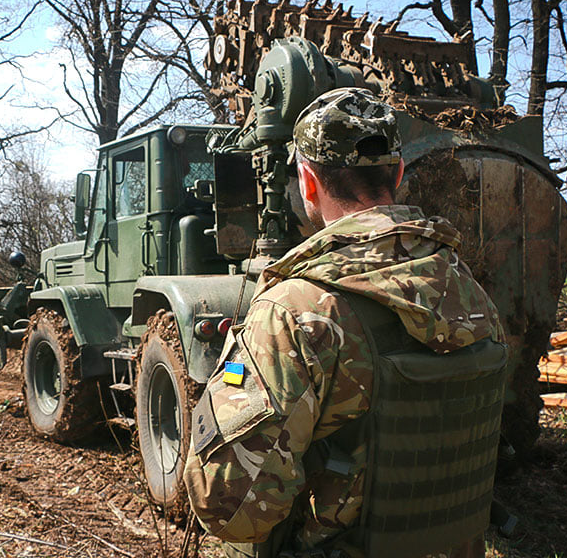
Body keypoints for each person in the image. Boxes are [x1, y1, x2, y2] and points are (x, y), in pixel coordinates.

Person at [182, 88, 507, 558]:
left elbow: (229, 509)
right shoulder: (471, 292)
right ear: (396, 172)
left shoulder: (296, 312)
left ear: (307, 181)